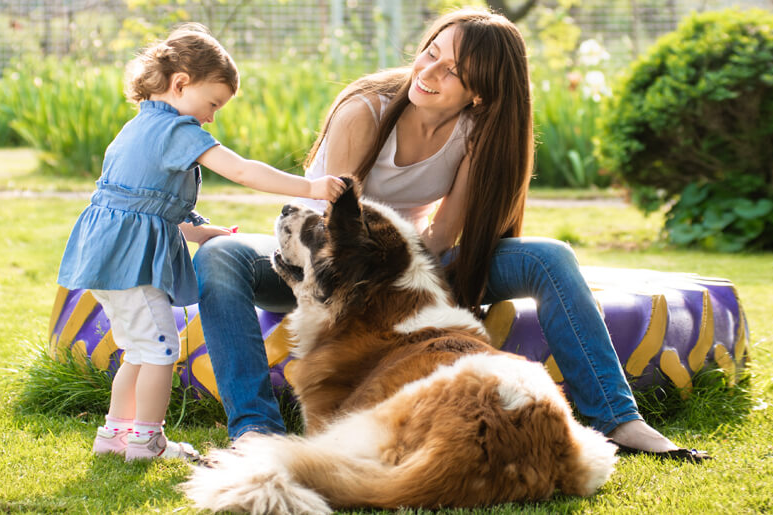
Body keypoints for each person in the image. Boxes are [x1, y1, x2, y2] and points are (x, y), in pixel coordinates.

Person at [194, 8, 709, 461]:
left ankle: (618, 419)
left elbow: (442, 233)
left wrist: (417, 283)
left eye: (453, 71)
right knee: (220, 257)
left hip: (412, 267)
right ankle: (255, 431)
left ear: (481, 89)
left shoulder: (478, 130)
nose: (430, 72)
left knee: (549, 256)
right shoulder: (364, 111)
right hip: (325, 266)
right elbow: (338, 230)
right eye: (431, 53)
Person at [57, 23, 346, 461]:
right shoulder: (177, 132)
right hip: (129, 264)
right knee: (160, 350)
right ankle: (146, 440)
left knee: (137, 349)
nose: (211, 118)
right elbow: (244, 170)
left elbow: (141, 205)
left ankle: (114, 434)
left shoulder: (134, 129)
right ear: (180, 84)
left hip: (104, 258)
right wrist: (313, 188)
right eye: (212, 104)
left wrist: (197, 231)